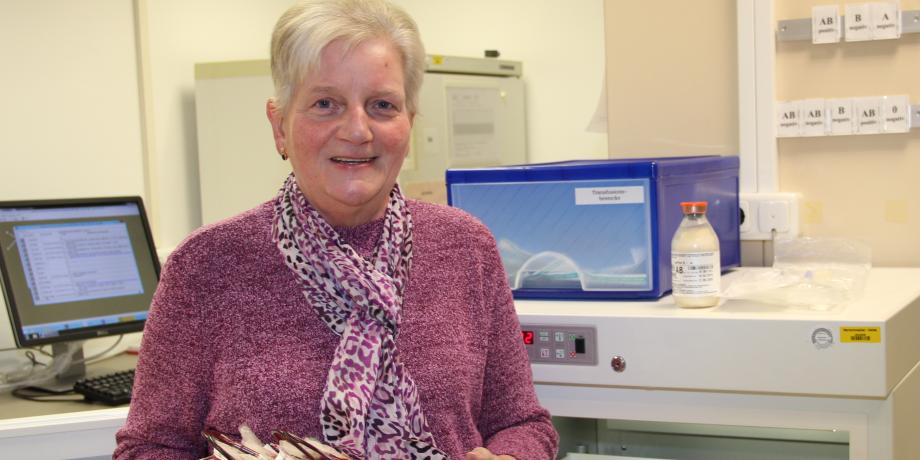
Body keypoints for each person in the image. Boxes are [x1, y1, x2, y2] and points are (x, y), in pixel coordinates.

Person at [114, 0, 558, 458]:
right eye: (326, 104)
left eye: (382, 105)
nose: (358, 130)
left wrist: (511, 456)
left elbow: (521, 422)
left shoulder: (465, 246)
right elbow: (149, 447)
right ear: (279, 125)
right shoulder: (208, 264)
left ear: (409, 123)